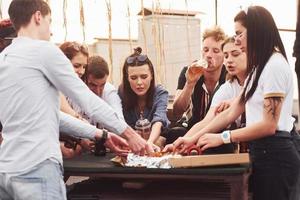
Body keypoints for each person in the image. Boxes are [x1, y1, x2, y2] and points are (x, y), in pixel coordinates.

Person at [0, 0, 151, 199]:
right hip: (36, 170)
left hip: (6, 171)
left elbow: (51, 116)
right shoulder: (44, 51)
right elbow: (87, 98)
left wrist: (102, 135)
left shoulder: (5, 58)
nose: (50, 30)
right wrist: (131, 135)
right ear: (38, 17)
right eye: (49, 21)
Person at [169, 6, 300, 200]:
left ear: (256, 30)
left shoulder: (275, 66)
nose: (236, 39)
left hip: (276, 155)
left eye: (239, 33)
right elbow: (229, 113)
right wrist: (192, 139)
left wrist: (224, 137)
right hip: (262, 152)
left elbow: (269, 125)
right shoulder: (258, 68)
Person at [164, 36, 247, 154]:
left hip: (258, 143)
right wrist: (181, 144)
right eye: (227, 55)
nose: (229, 60)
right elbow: (208, 120)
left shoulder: (257, 80)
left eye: (235, 54)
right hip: (208, 132)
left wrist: (222, 137)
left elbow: (266, 126)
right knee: (179, 134)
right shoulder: (227, 87)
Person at [164, 26, 227, 144]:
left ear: (224, 55)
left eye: (215, 51)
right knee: (174, 133)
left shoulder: (229, 76)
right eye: (205, 50)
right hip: (189, 127)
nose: (209, 55)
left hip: (217, 130)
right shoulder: (189, 71)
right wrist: (189, 84)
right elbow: (177, 111)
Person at [119, 47, 169, 150]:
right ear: (127, 78)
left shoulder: (160, 92)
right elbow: (118, 122)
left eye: (144, 77)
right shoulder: (121, 93)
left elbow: (159, 119)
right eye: (133, 78)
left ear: (151, 76)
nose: (139, 83)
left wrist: (150, 142)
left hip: (156, 139)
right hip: (131, 142)